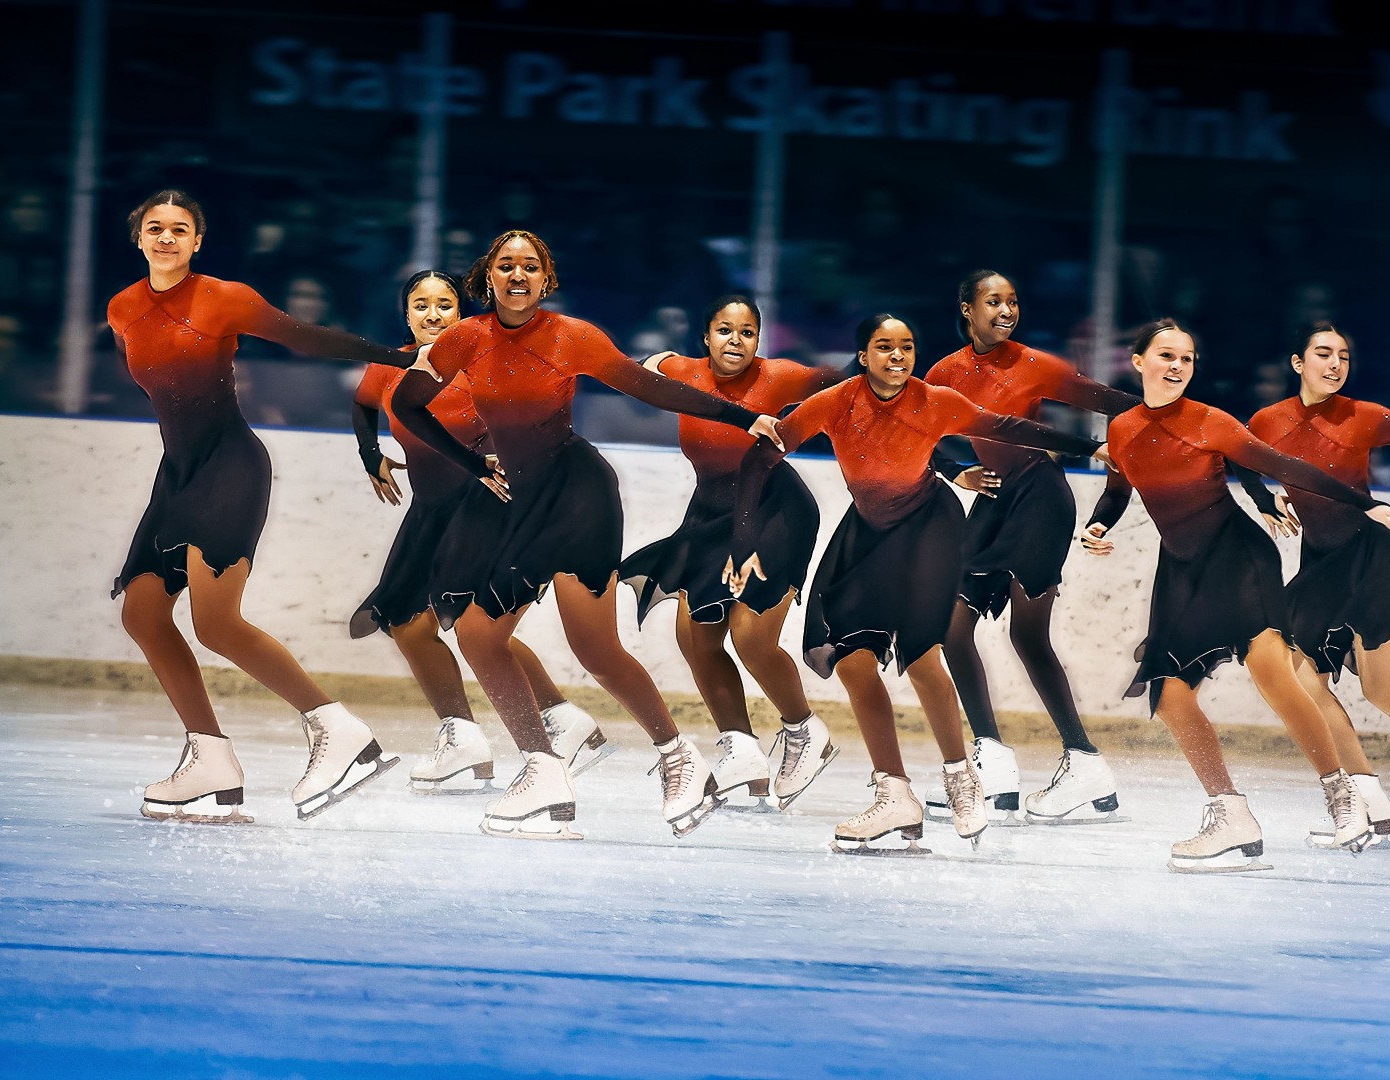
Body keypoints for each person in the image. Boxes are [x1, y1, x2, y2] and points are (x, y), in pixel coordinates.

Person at [390, 230, 785, 840]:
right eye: (505, 266)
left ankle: (676, 757)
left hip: (578, 496)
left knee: (594, 648)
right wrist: (474, 465)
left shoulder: (572, 336)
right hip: (519, 500)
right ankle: (544, 769)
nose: (517, 276)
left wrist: (744, 417)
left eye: (530, 267)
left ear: (546, 279)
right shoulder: (465, 339)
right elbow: (410, 404)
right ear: (487, 277)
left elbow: (653, 388)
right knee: (477, 632)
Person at [726, 315, 1108, 853]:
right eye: (885, 347)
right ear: (863, 356)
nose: (898, 356)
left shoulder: (935, 400)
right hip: (867, 534)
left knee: (922, 653)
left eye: (907, 346)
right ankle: (895, 795)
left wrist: (1089, 448)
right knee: (852, 659)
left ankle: (961, 775)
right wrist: (744, 542)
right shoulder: (836, 402)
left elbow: (1007, 427)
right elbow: (762, 455)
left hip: (930, 526)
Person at [110, 189, 411, 823]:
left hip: (231, 467)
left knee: (216, 623)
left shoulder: (225, 298)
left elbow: (306, 337)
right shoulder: (122, 309)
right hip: (180, 475)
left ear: (198, 241)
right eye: (155, 228)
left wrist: (391, 358)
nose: (166, 238)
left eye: (180, 229)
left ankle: (340, 733)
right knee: (143, 613)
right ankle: (211, 758)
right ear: (139, 238)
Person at [1081, 319, 1390, 870]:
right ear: (1137, 362)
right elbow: (1119, 489)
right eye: (1166, 356)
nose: (1177, 367)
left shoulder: (1211, 421)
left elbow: (1280, 465)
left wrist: (1364, 505)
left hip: (1237, 557)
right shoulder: (1122, 429)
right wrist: (1097, 525)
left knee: (1274, 673)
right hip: (1180, 567)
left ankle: (1344, 797)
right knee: (1167, 690)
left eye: (1186, 359)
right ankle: (1230, 813)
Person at [350, 270, 608, 793]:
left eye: (445, 304)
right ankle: (491, 732)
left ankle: (537, 727)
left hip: (483, 504)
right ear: (406, 315)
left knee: (472, 624)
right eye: (420, 305)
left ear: (461, 313)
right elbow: (362, 405)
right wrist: (370, 453)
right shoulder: (391, 366)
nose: (432, 314)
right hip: (430, 510)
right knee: (408, 622)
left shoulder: (477, 364)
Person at [925, 271, 1140, 824]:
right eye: (993, 301)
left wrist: (1126, 453)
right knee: (950, 627)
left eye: (1013, 301)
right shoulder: (944, 373)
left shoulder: (1035, 364)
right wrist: (959, 474)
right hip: (993, 503)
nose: (1006, 309)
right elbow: (917, 437)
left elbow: (1119, 403)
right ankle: (992, 760)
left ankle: (1083, 759)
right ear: (967, 308)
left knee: (1028, 634)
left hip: (1041, 497)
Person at [620, 295, 842, 809]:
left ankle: (806, 732)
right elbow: (641, 367)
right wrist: (647, 365)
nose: (735, 341)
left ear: (759, 341)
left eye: (747, 333)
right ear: (706, 336)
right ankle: (741, 749)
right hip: (711, 514)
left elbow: (845, 381)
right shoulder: (683, 371)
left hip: (776, 511)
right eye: (724, 330)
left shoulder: (781, 375)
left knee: (750, 636)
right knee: (693, 635)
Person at [1247, 322, 1390, 846]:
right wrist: (1263, 498)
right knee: (1301, 681)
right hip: (1320, 563)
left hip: (1372, 555)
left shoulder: (1363, 416)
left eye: (1343, 355)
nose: (1335, 364)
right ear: (1298, 363)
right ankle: (1368, 801)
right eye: (1323, 353)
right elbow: (1240, 458)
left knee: (1380, 687)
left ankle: (1367, 802)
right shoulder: (1268, 420)